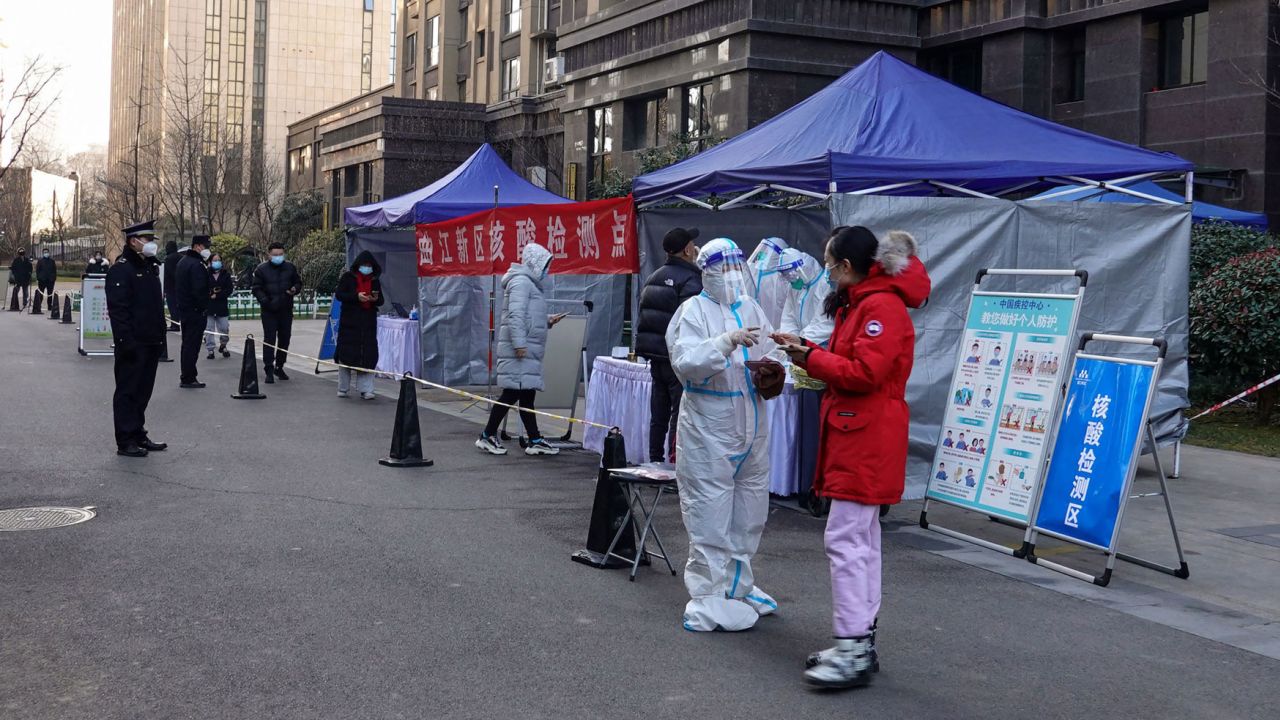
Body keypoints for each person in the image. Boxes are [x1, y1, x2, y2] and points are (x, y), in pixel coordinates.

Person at [773, 225, 930, 689]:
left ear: (846, 266)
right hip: (860, 435)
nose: (826, 270)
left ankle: (852, 645)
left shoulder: (878, 306)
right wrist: (811, 353)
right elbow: (860, 365)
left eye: (829, 261)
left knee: (846, 541)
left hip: (864, 438)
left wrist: (810, 359)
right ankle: (857, 642)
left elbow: (864, 372)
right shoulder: (868, 304)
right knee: (859, 540)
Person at [666, 237, 780, 632]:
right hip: (709, 425)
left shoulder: (750, 307)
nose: (732, 276)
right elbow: (685, 362)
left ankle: (738, 585)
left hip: (752, 421)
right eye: (724, 269)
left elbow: (769, 347)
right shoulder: (692, 311)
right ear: (707, 273)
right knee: (709, 510)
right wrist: (724, 342)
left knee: (749, 510)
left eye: (736, 268)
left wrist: (776, 367)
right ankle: (707, 596)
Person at [476, 243, 567, 456]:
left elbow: (526, 315)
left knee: (525, 395)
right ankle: (487, 435)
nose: (547, 270)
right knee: (512, 394)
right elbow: (515, 315)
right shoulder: (521, 282)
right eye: (545, 265)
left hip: (524, 349)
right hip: (520, 350)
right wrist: (519, 344)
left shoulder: (527, 283)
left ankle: (534, 439)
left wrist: (546, 320)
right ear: (535, 264)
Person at [635, 226, 703, 463]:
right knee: (678, 413)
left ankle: (654, 461)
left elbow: (644, 319)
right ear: (687, 249)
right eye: (692, 244)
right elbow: (690, 321)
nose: (695, 248)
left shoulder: (654, 276)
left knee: (659, 414)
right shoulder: (692, 280)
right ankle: (674, 463)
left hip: (655, 357)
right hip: (677, 358)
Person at [105, 221, 169, 457]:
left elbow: (154, 306)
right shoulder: (121, 269)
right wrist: (125, 341)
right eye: (148, 239)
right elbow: (118, 310)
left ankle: (137, 431)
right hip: (133, 342)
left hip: (151, 340)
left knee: (143, 391)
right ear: (134, 241)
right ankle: (125, 439)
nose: (152, 244)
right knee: (128, 391)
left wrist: (161, 335)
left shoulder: (150, 266)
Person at [333, 251, 384, 399]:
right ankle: (343, 387)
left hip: (368, 323)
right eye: (364, 265)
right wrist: (356, 297)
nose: (367, 268)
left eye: (369, 266)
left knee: (367, 355)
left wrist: (374, 299)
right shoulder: (348, 278)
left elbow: (381, 300)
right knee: (346, 355)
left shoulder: (375, 281)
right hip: (350, 322)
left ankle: (366, 389)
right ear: (358, 265)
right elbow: (340, 294)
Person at [251, 242, 302, 384]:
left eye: (281, 255)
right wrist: (265, 301)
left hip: (286, 309)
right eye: (275, 255)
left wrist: (294, 289)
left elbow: (298, 283)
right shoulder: (261, 269)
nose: (278, 257)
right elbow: (256, 288)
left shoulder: (290, 267)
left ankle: (279, 365)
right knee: (270, 339)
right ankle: (268, 368)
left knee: (285, 338)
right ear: (269, 255)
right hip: (269, 311)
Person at [174, 235, 212, 388]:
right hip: (195, 311)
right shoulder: (196, 265)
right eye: (206, 246)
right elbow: (199, 290)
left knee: (187, 344)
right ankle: (189, 376)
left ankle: (187, 374)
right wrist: (203, 306)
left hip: (185, 309)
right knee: (192, 345)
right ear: (197, 247)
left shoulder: (183, 262)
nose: (208, 250)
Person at [777, 248, 834, 344]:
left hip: (821, 346)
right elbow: (789, 318)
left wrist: (800, 341)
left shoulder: (826, 285)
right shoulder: (795, 287)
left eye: (791, 274)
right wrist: (789, 340)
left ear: (803, 268)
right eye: (786, 275)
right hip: (801, 346)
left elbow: (824, 324)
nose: (790, 279)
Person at [746, 236, 790, 329]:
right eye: (763, 250)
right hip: (750, 327)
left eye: (768, 252)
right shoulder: (751, 271)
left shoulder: (782, 279)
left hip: (775, 330)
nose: (763, 254)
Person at [205, 253, 234, 359]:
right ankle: (210, 349)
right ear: (210, 262)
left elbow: (229, 289)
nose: (216, 262)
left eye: (218, 260)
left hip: (221, 305)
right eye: (214, 260)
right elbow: (202, 288)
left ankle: (223, 345)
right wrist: (209, 294)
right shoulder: (205, 274)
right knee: (209, 329)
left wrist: (217, 295)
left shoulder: (225, 274)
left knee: (224, 328)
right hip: (209, 306)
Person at [162, 239, 182, 330]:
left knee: (172, 307)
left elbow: (169, 273)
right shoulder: (181, 257)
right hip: (181, 286)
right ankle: (179, 323)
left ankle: (175, 324)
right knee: (179, 306)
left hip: (170, 287)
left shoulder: (168, 259)